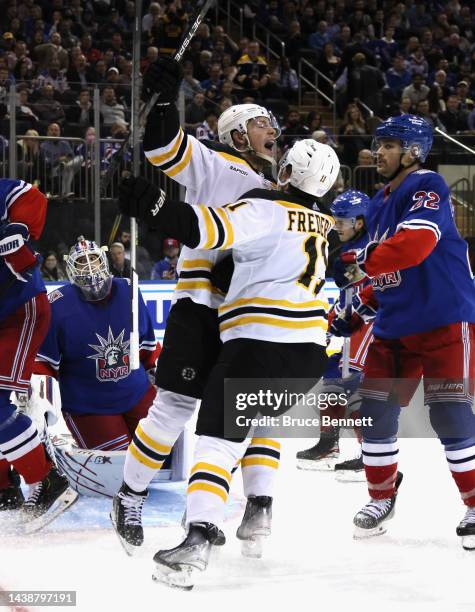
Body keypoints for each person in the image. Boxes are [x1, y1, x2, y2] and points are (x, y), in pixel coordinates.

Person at [116, 138, 339, 587]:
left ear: (285, 174)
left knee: (216, 442)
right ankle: (258, 514)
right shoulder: (324, 223)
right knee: (261, 424)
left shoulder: (266, 207)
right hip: (310, 354)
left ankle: (194, 543)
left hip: (258, 342)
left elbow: (201, 228)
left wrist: (153, 204)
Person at [110, 56, 283, 555]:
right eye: (258, 122)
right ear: (234, 135)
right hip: (203, 305)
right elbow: (163, 146)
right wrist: (167, 96)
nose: (270, 128)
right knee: (174, 408)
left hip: (249, 315)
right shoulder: (217, 164)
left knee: (250, 414)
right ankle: (130, 495)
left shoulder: (279, 190)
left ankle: (238, 508)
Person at [339, 115, 475, 548]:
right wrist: (361, 306)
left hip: (444, 321)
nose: (377, 152)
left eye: (389, 144)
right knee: (373, 410)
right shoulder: (378, 202)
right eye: (378, 144)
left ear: (414, 150)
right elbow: (390, 275)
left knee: (450, 413)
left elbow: (414, 247)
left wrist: (361, 262)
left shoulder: (427, 186)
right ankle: (382, 495)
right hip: (397, 328)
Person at [34, 238, 160, 454]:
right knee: (119, 465)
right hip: (90, 406)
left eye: (93, 259)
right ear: (71, 269)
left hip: (136, 392)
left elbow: (146, 344)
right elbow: (44, 363)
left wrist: (158, 370)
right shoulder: (57, 304)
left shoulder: (130, 290)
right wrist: (41, 400)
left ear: (104, 260)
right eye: (82, 262)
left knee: (158, 456)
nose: (90, 267)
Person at [0, 179, 77, 527]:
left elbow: (30, 196)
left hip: (19, 310)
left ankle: (46, 478)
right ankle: (4, 486)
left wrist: (18, 228)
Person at [296, 190, 373, 479]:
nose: (337, 226)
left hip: (374, 323)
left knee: (353, 381)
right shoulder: (348, 247)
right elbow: (346, 293)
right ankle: (329, 445)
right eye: (336, 220)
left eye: (344, 221)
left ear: (361, 222)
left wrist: (349, 317)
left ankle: (372, 455)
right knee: (332, 374)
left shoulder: (371, 247)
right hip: (356, 321)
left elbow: (371, 291)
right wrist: (331, 321)